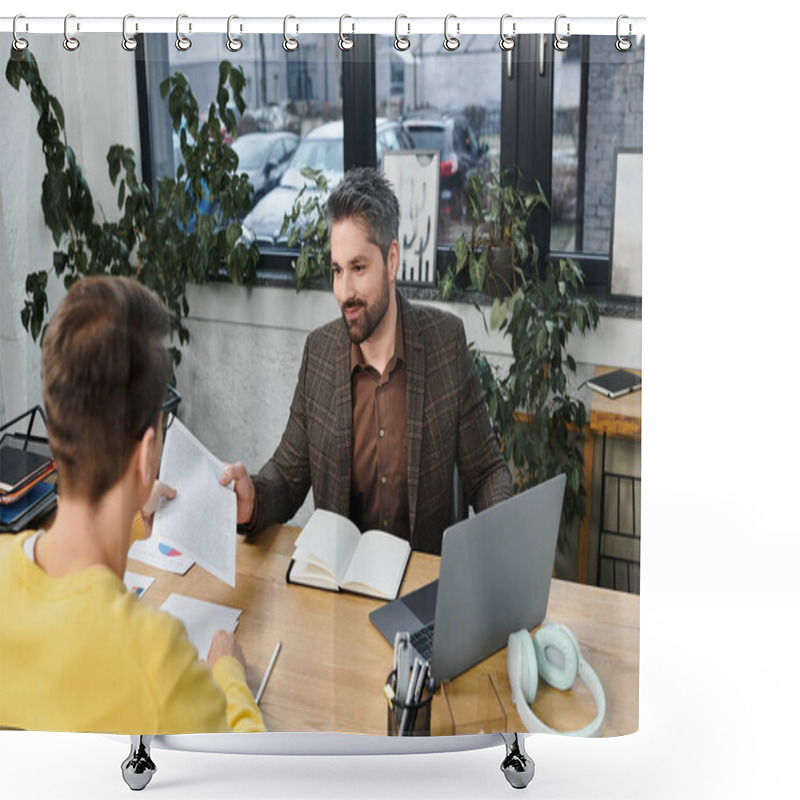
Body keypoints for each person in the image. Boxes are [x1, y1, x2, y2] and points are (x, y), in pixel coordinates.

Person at [0, 276, 265, 734]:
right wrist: (229, 674)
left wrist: (137, 520)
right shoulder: (159, 663)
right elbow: (246, 775)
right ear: (146, 457)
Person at [221, 167, 511, 555]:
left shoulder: (445, 343)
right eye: (337, 271)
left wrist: (505, 543)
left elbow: (486, 472)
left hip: (421, 591)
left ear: (392, 260)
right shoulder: (319, 354)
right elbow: (287, 478)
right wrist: (252, 498)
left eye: (358, 268)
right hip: (342, 590)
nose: (344, 292)